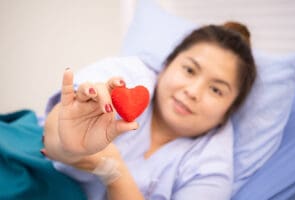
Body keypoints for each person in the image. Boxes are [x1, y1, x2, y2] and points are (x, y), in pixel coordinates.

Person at [42, 21, 256, 200]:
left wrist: (113, 170)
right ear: (165, 66)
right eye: (189, 70)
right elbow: (51, 138)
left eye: (216, 90)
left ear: (229, 111)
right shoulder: (126, 80)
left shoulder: (211, 169)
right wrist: (66, 141)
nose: (192, 92)